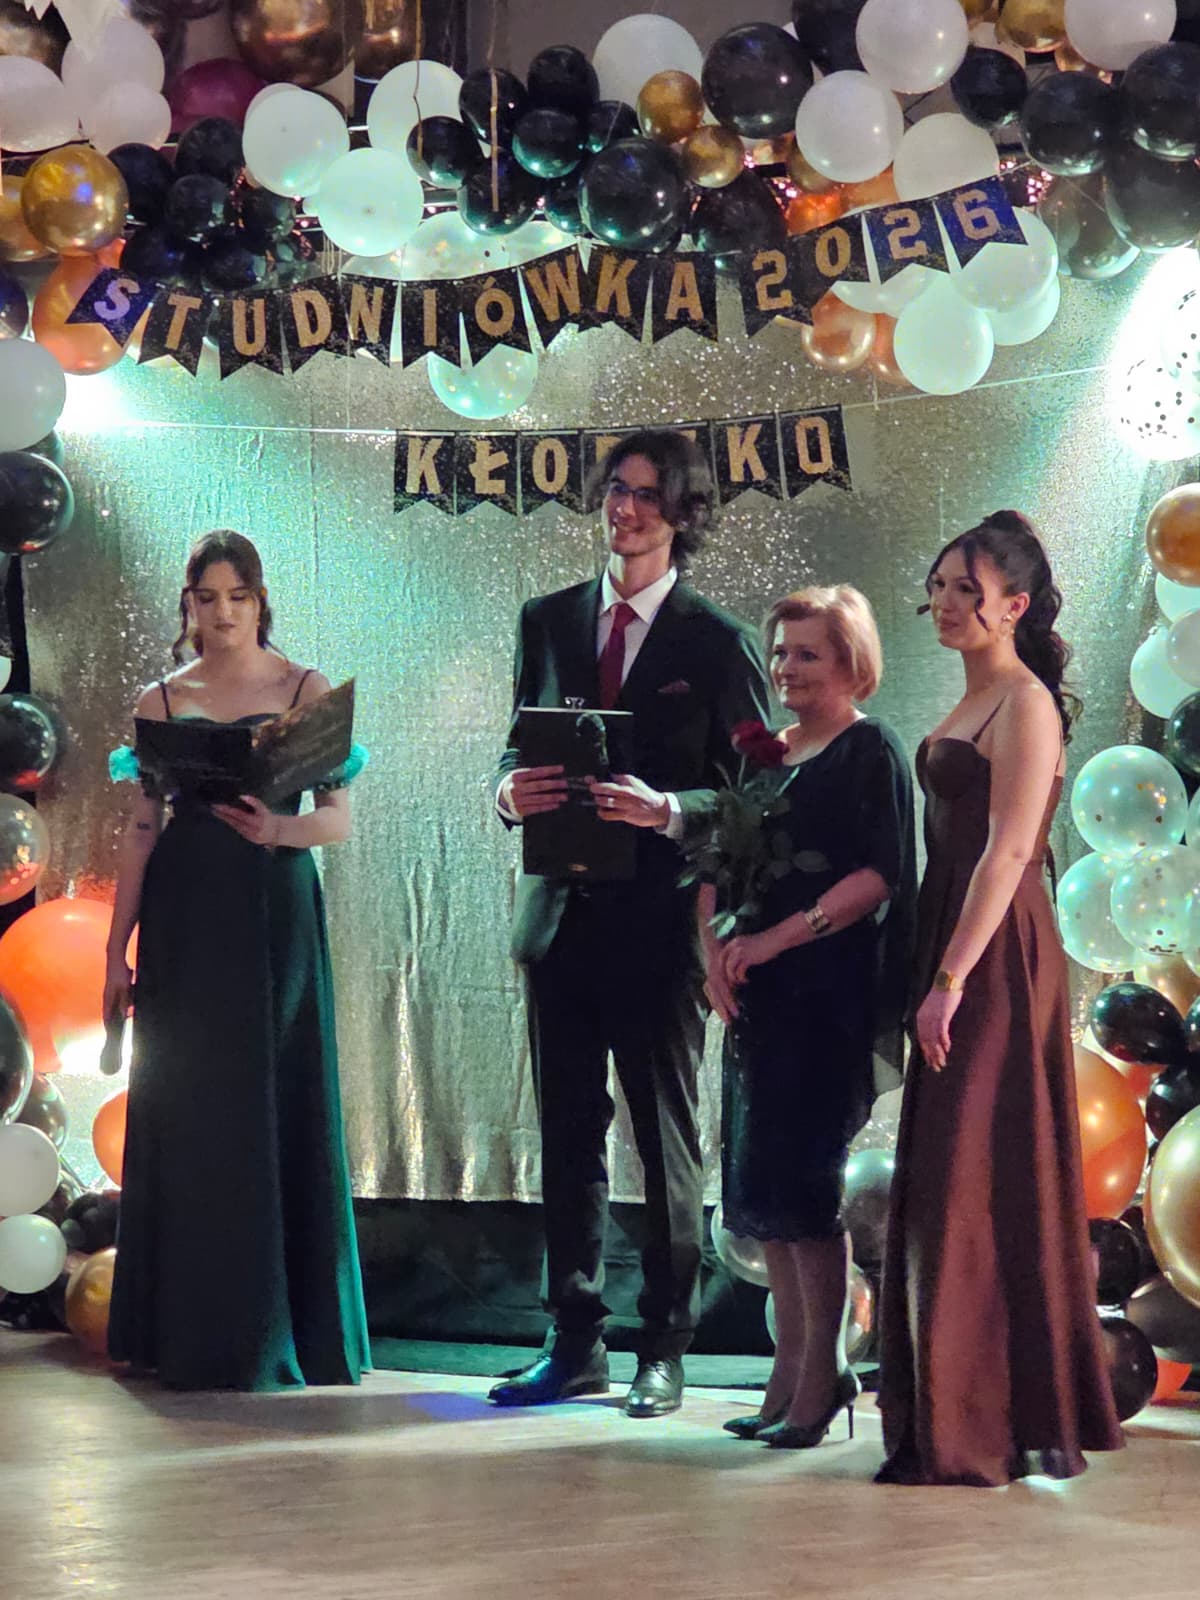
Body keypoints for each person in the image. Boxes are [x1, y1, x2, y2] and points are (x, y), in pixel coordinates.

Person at [490, 429, 771, 1417]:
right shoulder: (547, 619)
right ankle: (573, 1341)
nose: (627, 507)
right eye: (618, 488)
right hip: (558, 918)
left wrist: (670, 810)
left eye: (649, 494)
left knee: (664, 1139)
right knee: (568, 1135)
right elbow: (513, 749)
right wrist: (507, 794)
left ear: (683, 513)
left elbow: (758, 800)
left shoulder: (718, 640)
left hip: (659, 928)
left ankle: (665, 1343)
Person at [876, 511, 1124, 1486]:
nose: (944, 603)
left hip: (997, 954)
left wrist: (950, 980)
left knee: (974, 1172)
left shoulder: (1025, 703)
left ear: (1015, 606)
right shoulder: (975, 696)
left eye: (965, 591)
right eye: (938, 586)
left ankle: (975, 1425)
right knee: (957, 1172)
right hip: (957, 935)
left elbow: (1011, 852)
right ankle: (955, 1415)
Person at [104, 531, 370, 1391]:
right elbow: (142, 829)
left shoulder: (303, 688)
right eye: (207, 597)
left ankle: (279, 1329)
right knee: (191, 1103)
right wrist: (115, 948)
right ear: (188, 604)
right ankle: (188, 1329)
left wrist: (277, 828)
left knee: (269, 1094)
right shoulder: (161, 698)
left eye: (238, 597)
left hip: (270, 909)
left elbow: (338, 819)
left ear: (260, 601)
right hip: (185, 918)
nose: (222, 613)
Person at [700, 587, 915, 1448]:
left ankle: (820, 1378)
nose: (786, 667)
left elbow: (880, 876)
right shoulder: (763, 754)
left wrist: (779, 938)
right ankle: (787, 1376)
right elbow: (714, 864)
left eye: (808, 653)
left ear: (851, 662)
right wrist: (714, 954)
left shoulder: (870, 750)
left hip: (826, 998)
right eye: (781, 652)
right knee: (768, 1198)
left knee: (807, 1192)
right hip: (759, 1000)